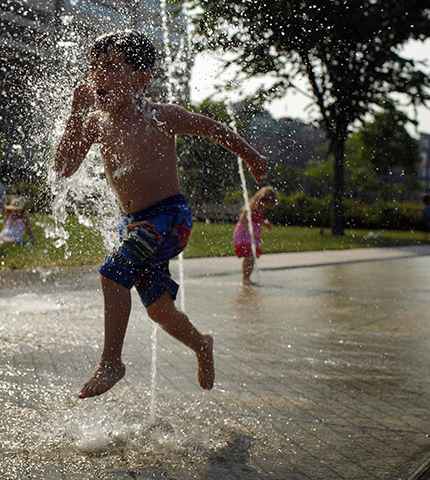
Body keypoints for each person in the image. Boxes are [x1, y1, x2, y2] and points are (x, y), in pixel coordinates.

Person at [54, 30, 267, 399]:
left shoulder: (161, 116)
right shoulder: (93, 123)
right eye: (94, 69)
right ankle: (201, 344)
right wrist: (74, 114)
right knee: (159, 309)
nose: (98, 76)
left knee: (113, 273)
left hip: (169, 218)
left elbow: (212, 128)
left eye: (110, 68)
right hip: (135, 225)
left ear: (139, 80)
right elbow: (64, 167)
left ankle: (111, 361)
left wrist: (251, 156)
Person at [233, 186, 277, 285]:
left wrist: (264, 223)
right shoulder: (251, 205)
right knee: (248, 256)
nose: (266, 207)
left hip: (253, 235)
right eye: (266, 204)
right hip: (244, 233)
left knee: (252, 256)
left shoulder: (260, 207)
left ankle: (248, 278)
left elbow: (256, 219)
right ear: (262, 199)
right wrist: (251, 231)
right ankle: (245, 278)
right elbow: (243, 219)